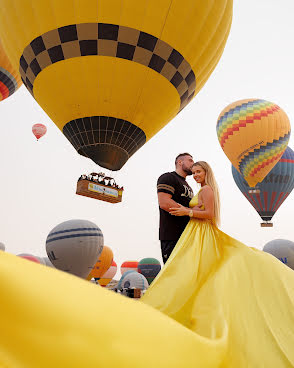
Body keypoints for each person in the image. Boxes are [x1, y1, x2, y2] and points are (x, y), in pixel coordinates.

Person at [142, 161, 294, 366]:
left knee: (193, 272)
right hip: (195, 234)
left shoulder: (206, 189)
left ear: (206, 172)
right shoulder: (202, 189)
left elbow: (210, 215)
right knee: (191, 272)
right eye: (193, 172)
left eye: (198, 171)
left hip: (202, 234)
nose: (195, 175)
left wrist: (187, 212)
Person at [157, 153, 194, 263]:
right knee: (173, 273)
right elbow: (164, 202)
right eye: (190, 160)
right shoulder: (168, 177)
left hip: (187, 236)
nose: (193, 163)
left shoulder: (188, 186)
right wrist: (189, 212)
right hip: (172, 235)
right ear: (180, 162)